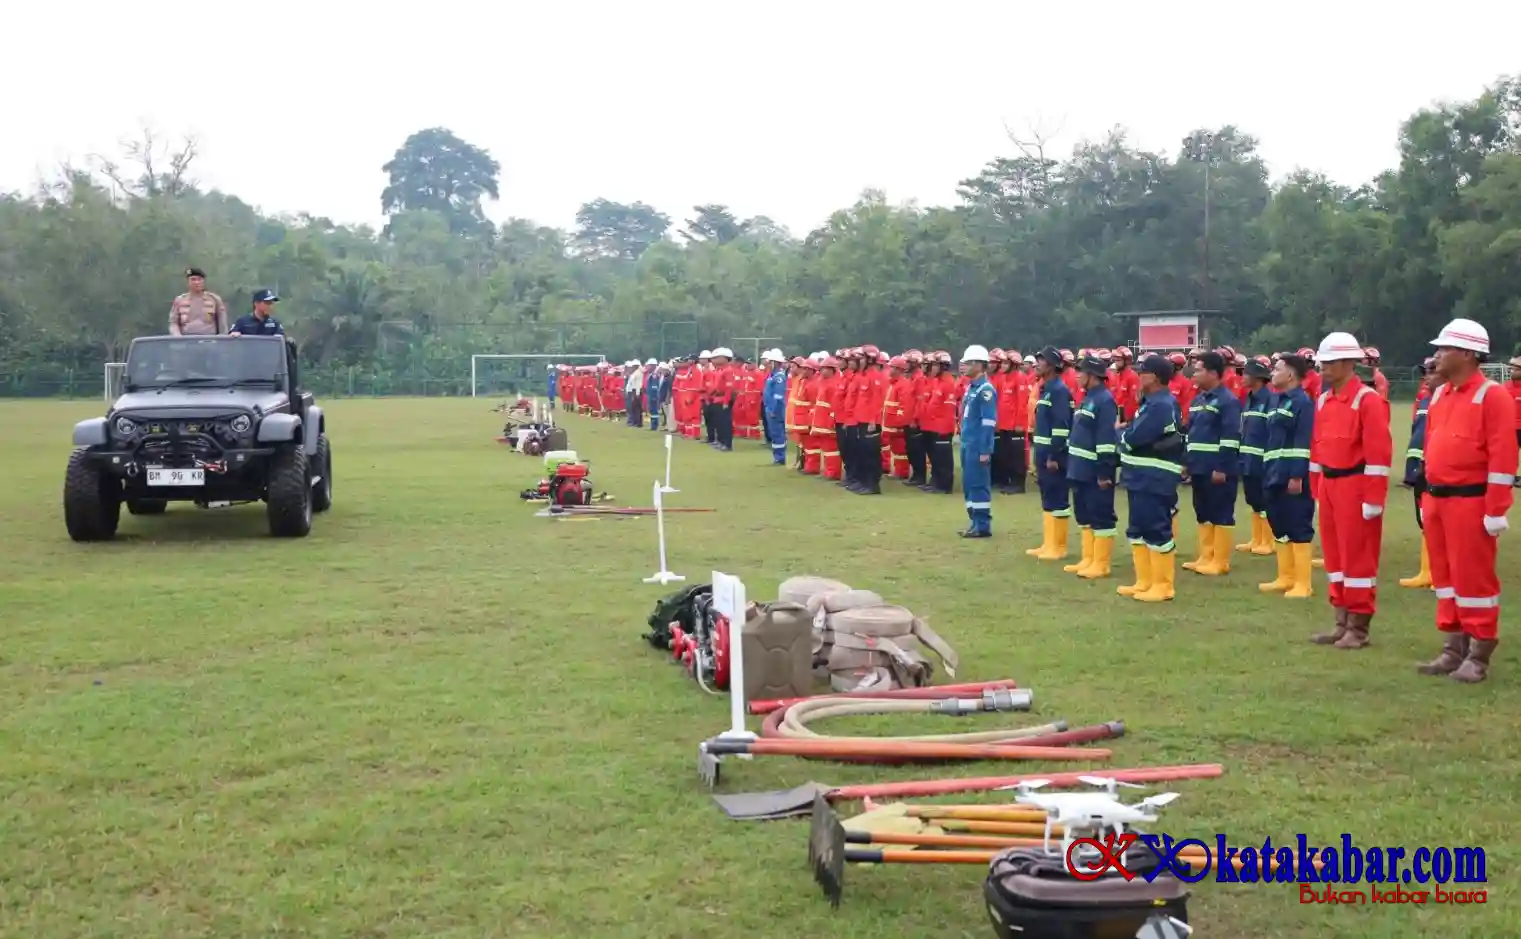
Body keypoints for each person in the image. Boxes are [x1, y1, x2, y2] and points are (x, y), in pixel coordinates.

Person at [1417, 318, 1518, 683]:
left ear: (1468, 354)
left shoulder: (1493, 396)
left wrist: (1495, 509)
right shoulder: (1440, 394)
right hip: (1438, 499)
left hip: (1470, 502)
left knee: (1473, 578)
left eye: (1444, 349)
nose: (1437, 356)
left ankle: (1479, 651)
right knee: (1444, 577)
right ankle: (1453, 646)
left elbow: (1503, 458)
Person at [1306, 332, 1393, 649]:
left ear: (1347, 363)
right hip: (1330, 485)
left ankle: (1359, 625)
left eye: (1329, 363)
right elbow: (1317, 448)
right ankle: (1341, 621)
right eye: (1322, 363)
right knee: (1334, 555)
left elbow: (1379, 454)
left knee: (1358, 556)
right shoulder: (1324, 400)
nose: (1323, 368)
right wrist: (1317, 490)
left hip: (1355, 486)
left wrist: (1373, 498)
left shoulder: (1367, 400)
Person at [1117, 355, 1185, 601]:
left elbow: (1134, 438)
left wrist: (1122, 437)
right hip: (1140, 475)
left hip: (1154, 477)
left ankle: (1163, 586)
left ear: (1154, 377)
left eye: (1142, 372)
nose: (1138, 376)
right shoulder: (1151, 402)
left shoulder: (1161, 405)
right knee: (1138, 529)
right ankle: (1144, 581)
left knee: (1156, 529)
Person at [1257, 354, 1316, 600]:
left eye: (1277, 368)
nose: (1272, 372)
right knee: (1278, 523)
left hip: (1292, 474)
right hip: (1273, 472)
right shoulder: (1275, 401)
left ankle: (1303, 583)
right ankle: (1286, 577)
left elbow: (1303, 441)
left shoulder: (1303, 402)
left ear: (1290, 375)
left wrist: (1297, 475)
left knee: (1298, 524)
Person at [1181, 351, 1243, 577]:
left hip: (1217, 468)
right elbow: (1191, 433)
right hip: (1198, 466)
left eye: (1198, 370)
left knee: (1221, 512)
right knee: (1202, 511)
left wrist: (1222, 467)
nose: (1194, 374)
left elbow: (1231, 437)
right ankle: (1205, 556)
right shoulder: (1198, 400)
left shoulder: (1228, 401)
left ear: (1213, 373)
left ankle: (1220, 560)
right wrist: (1186, 461)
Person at [1064, 354, 1119, 578]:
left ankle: (1101, 564)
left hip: (1094, 470)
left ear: (1093, 376)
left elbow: (1106, 439)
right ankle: (1088, 559)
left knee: (1101, 515)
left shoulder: (1105, 400)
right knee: (1084, 514)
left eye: (1081, 372)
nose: (1076, 375)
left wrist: (1104, 472)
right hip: (1079, 468)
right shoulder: (1087, 398)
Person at [1026, 347, 1074, 560]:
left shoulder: (1059, 391)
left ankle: (1059, 547)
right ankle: (1049, 543)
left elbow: (1061, 427)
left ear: (1053, 366)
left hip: (1054, 455)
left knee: (1058, 498)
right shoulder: (1047, 388)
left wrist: (1054, 456)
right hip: (1043, 452)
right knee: (1047, 496)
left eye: (1041, 361)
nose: (1037, 364)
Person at [1398, 358, 1437, 589]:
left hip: (1439, 470)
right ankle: (1426, 571)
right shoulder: (1424, 399)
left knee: (1438, 523)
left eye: (1432, 371)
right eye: (1425, 372)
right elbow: (1417, 432)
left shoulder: (1446, 401)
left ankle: (1439, 573)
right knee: (1424, 520)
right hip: (1421, 466)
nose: (1426, 376)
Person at [1235, 356, 1277, 556]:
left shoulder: (1270, 400)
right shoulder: (1250, 399)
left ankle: (1268, 541)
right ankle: (1256, 538)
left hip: (1262, 459)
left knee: (1264, 500)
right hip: (1248, 459)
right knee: (1253, 499)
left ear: (1258, 378)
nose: (1242, 377)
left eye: (1246, 374)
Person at [957, 346, 997, 538]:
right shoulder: (971, 388)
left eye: (968, 363)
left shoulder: (985, 390)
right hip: (967, 443)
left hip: (977, 446)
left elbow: (988, 423)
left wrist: (985, 449)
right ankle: (974, 522)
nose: (964, 366)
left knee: (978, 485)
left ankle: (982, 525)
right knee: (969, 485)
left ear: (979, 365)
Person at [919, 352, 958, 494]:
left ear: (943, 367)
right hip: (933, 426)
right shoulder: (937, 382)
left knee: (943, 459)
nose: (932, 368)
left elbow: (948, 409)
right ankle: (936, 482)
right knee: (936, 458)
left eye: (936, 365)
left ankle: (944, 486)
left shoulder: (948, 383)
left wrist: (942, 428)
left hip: (942, 428)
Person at [851, 348, 888, 494]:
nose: (858, 361)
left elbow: (877, 402)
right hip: (861, 421)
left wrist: (873, 421)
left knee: (871, 454)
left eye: (861, 358)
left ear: (870, 359)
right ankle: (864, 482)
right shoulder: (863, 376)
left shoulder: (876, 377)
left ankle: (873, 485)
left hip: (871, 423)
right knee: (862, 453)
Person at [169, 267, 229, 336]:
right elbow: (174, 323)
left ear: (203, 281)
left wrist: (221, 337)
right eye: (193, 279)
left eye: (199, 279)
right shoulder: (180, 300)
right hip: (186, 339)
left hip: (209, 339)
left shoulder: (214, 299)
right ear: (188, 282)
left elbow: (222, 323)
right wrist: (178, 337)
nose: (196, 282)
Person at [762, 349, 789, 465]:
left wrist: (773, 409)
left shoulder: (779, 376)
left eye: (770, 362)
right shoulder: (772, 375)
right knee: (774, 433)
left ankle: (780, 457)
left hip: (775, 409)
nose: (768, 364)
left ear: (775, 363)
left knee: (777, 433)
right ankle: (777, 456)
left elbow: (778, 395)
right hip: (769, 407)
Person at [707, 347, 736, 450]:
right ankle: (720, 441)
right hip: (716, 399)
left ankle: (727, 444)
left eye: (716, 358)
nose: (713, 360)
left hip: (723, 400)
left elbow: (729, 388)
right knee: (718, 422)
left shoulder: (728, 370)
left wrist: (726, 402)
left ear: (725, 358)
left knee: (725, 423)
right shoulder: (719, 370)